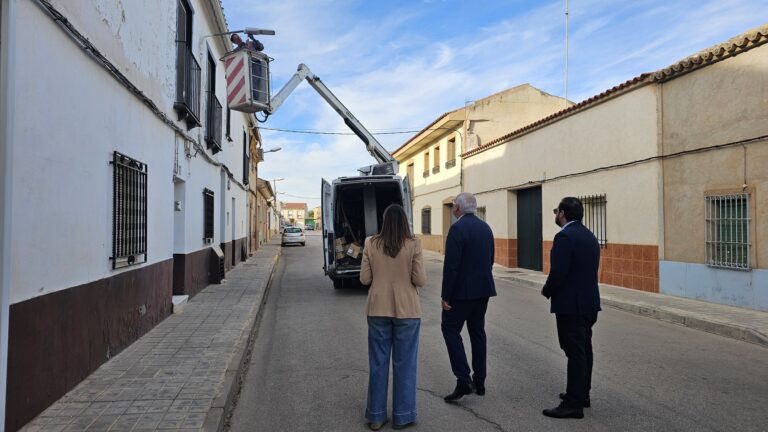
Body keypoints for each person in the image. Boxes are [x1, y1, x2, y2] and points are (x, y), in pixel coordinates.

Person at [360, 204, 426, 430]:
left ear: (384, 220)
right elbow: (420, 280)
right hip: (408, 311)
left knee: (378, 363)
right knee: (405, 364)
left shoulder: (370, 243)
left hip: (377, 309)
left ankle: (376, 416)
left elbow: (364, 279)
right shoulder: (414, 244)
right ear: (405, 221)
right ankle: (402, 416)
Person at [541, 197, 601, 419]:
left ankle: (573, 404)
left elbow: (559, 271)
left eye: (556, 211)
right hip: (589, 303)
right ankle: (582, 394)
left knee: (575, 352)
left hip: (571, 305)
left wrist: (547, 290)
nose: (556, 215)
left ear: (563, 213)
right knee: (584, 350)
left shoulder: (564, 236)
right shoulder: (589, 235)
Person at [441, 192, 496, 402]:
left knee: (450, 329)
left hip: (461, 293)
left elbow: (451, 267)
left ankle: (463, 379)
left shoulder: (457, 229)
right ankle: (479, 381)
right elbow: (490, 260)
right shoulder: (486, 227)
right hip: (483, 291)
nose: (453, 207)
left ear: (458, 208)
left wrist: (446, 296)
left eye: (454, 204)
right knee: (477, 332)